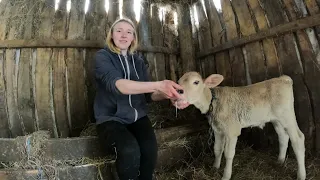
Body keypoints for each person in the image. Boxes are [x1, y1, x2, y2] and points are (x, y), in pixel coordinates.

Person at [94, 17, 189, 180]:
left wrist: (170, 95)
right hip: (111, 119)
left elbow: (149, 95)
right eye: (119, 31)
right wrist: (159, 85)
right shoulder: (102, 57)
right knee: (129, 150)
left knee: (149, 150)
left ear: (133, 38)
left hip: (138, 117)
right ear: (111, 35)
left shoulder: (138, 61)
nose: (124, 35)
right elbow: (119, 86)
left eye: (129, 32)